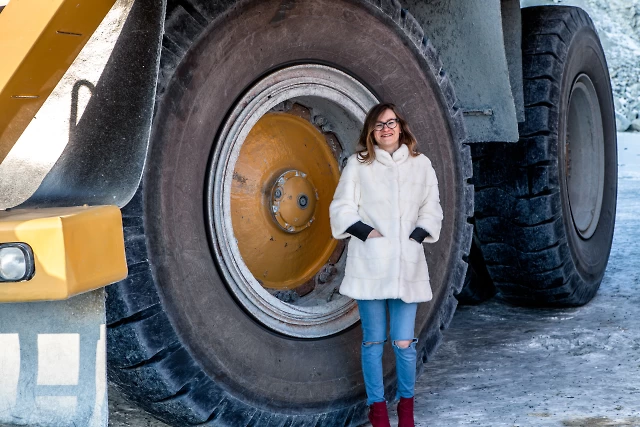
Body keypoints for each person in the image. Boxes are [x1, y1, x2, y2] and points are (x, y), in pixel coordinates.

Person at [329, 103, 443, 427]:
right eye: (379, 125)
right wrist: (368, 234)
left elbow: (432, 207)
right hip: (371, 265)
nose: (386, 128)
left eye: (391, 122)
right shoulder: (358, 165)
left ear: (401, 126)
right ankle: (377, 411)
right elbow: (342, 207)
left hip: (407, 266)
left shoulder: (421, 165)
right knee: (373, 340)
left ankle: (406, 411)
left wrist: (417, 236)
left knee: (404, 342)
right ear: (371, 131)